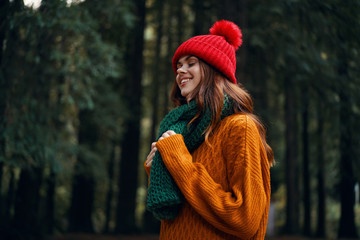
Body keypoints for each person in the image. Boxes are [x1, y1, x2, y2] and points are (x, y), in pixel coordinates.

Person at [144, 20, 274, 239]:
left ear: (213, 69)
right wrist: (158, 169)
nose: (180, 71)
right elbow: (182, 215)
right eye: (178, 66)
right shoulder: (185, 133)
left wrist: (179, 163)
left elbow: (245, 221)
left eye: (190, 63)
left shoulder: (240, 128)